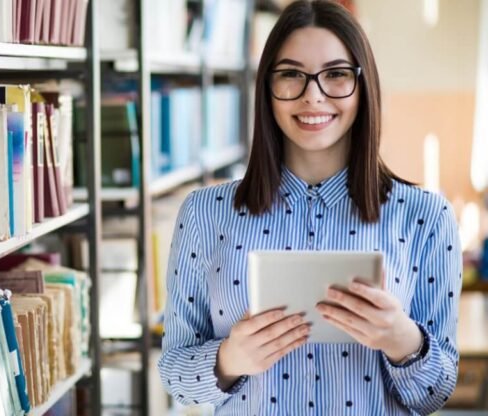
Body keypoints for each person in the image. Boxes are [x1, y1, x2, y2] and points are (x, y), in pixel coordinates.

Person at [157, 1, 461, 414]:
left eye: (336, 74)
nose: (313, 96)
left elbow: (436, 394)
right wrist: (229, 360)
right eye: (291, 75)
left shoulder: (427, 217)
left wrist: (403, 341)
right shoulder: (204, 213)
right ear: (267, 87)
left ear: (363, 85)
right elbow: (174, 375)